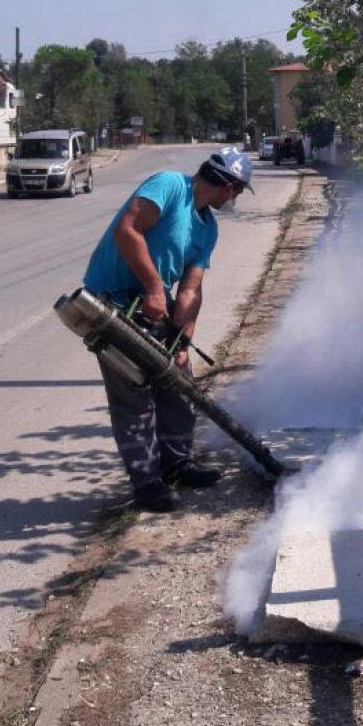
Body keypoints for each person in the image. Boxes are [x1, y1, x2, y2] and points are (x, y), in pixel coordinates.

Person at [83, 147, 254, 513]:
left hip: (155, 305)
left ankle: (177, 463)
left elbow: (191, 288)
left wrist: (182, 339)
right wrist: (154, 287)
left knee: (179, 386)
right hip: (112, 302)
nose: (236, 198)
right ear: (226, 185)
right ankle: (147, 484)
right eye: (237, 191)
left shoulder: (208, 227)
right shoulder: (169, 186)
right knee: (134, 396)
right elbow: (127, 230)